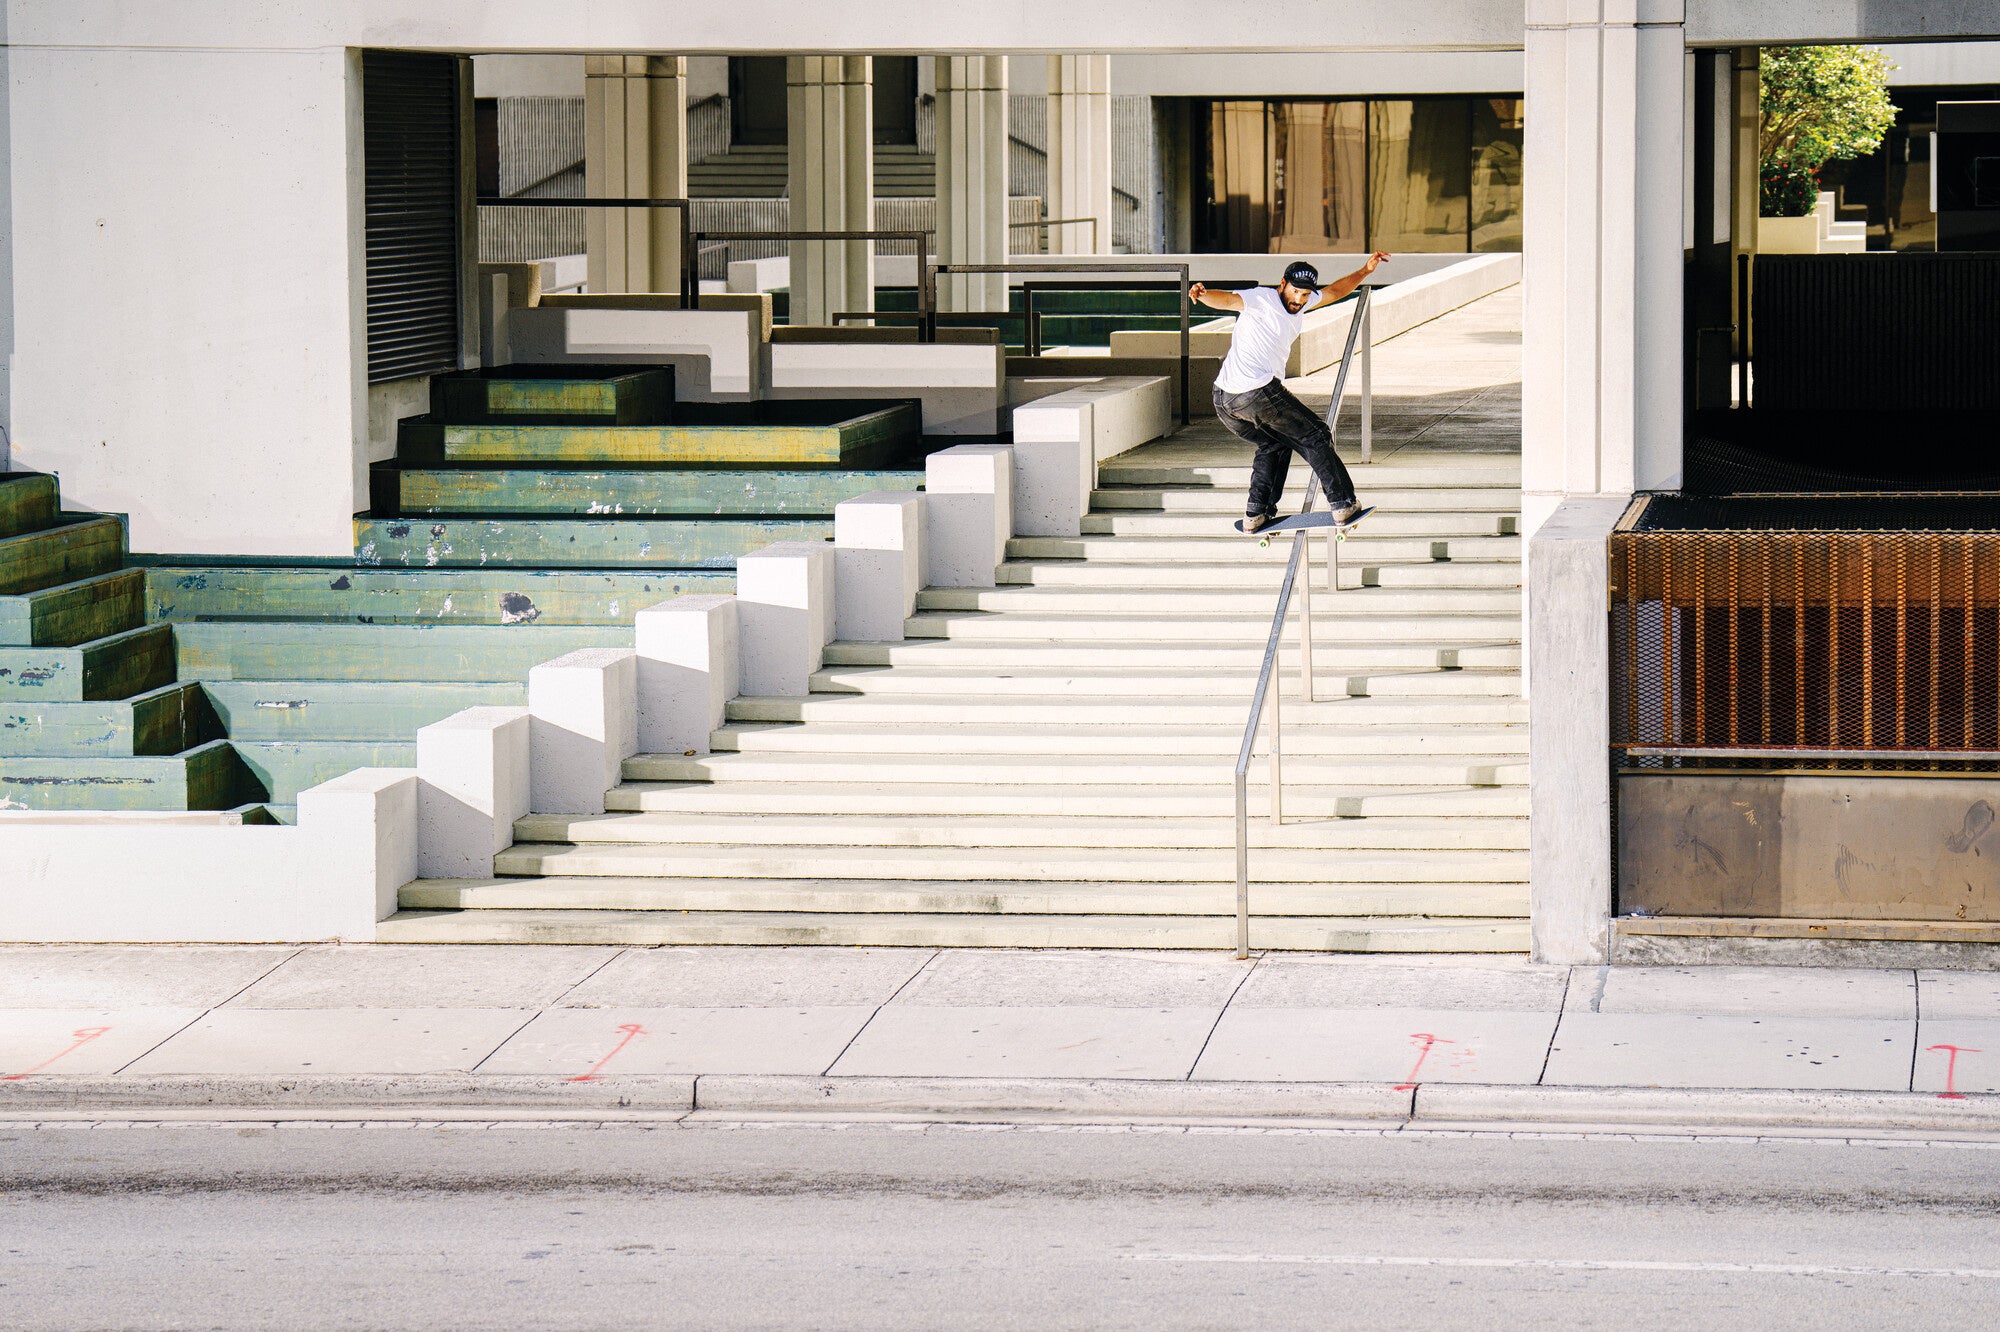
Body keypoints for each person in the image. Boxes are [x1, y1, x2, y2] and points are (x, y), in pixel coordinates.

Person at [1192, 253, 1389, 534]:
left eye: (1305, 294)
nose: (1298, 300)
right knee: (1316, 434)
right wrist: (1203, 294)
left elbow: (1335, 291)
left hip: (1225, 400)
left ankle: (1256, 513)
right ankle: (1343, 503)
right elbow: (1229, 300)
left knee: (1274, 444)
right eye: (1294, 291)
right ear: (1282, 284)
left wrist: (1365, 271)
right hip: (1255, 391)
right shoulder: (1262, 298)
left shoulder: (1305, 301)